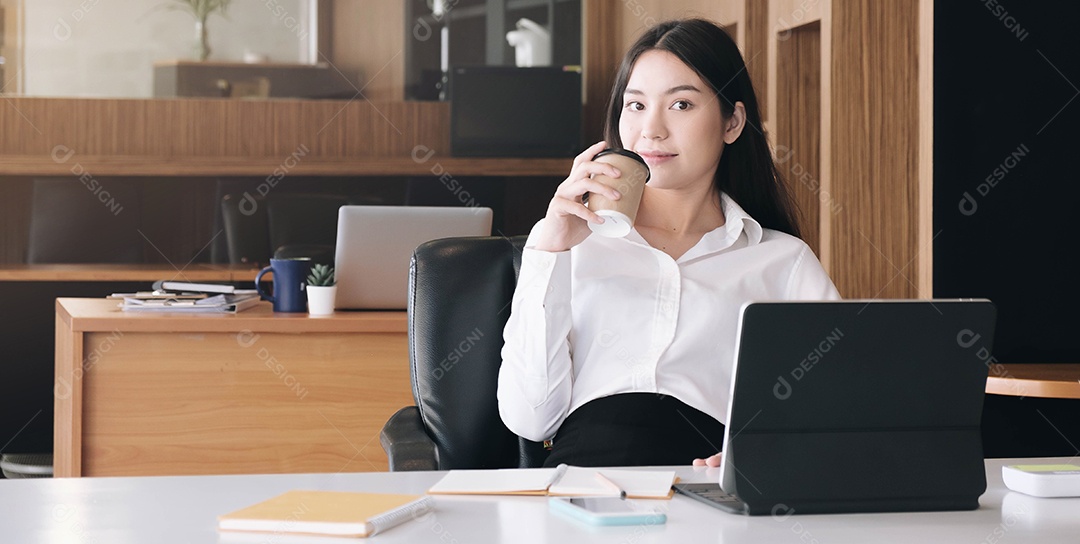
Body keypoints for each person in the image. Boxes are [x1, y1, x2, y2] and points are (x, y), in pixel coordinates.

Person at [497, 18, 840, 468]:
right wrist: (550, 250)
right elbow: (531, 419)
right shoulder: (571, 248)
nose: (651, 130)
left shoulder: (781, 261)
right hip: (582, 488)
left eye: (680, 104)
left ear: (732, 122)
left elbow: (834, 413)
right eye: (635, 105)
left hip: (708, 491)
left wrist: (761, 451)